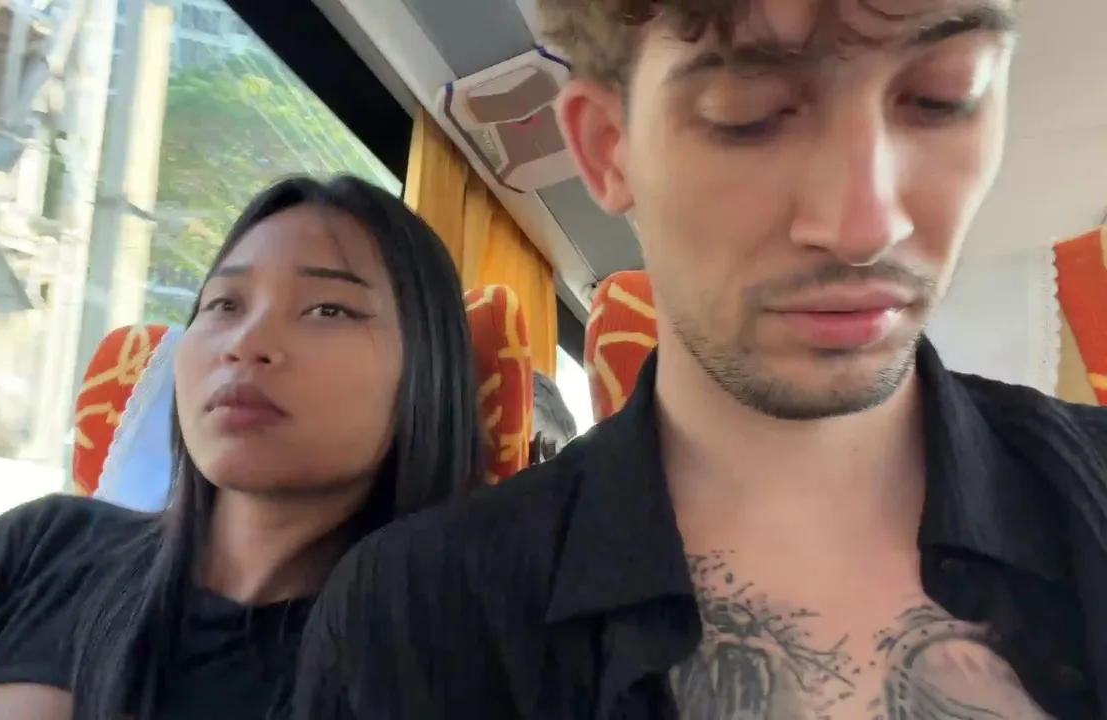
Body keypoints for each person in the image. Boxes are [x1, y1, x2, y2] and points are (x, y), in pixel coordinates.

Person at [293, 2, 1107, 718]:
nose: (865, 226)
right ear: (609, 149)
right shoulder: (410, 622)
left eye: (943, 97)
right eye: (749, 115)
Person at [0, 174, 485, 719]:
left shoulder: (435, 668)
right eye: (224, 304)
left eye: (328, 310)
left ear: (428, 376)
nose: (245, 343)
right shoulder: (45, 545)